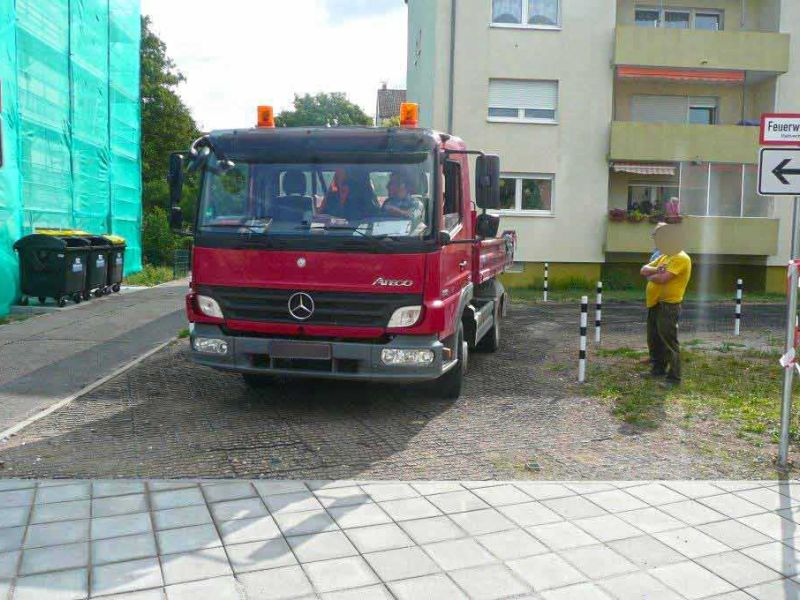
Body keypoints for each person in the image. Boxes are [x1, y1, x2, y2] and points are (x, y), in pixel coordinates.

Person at [640, 223, 692, 385]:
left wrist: (652, 275)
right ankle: (658, 369)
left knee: (668, 341)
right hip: (655, 303)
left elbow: (663, 279)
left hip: (668, 305)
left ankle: (674, 377)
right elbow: (643, 269)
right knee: (654, 338)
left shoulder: (680, 257)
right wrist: (655, 271)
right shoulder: (665, 256)